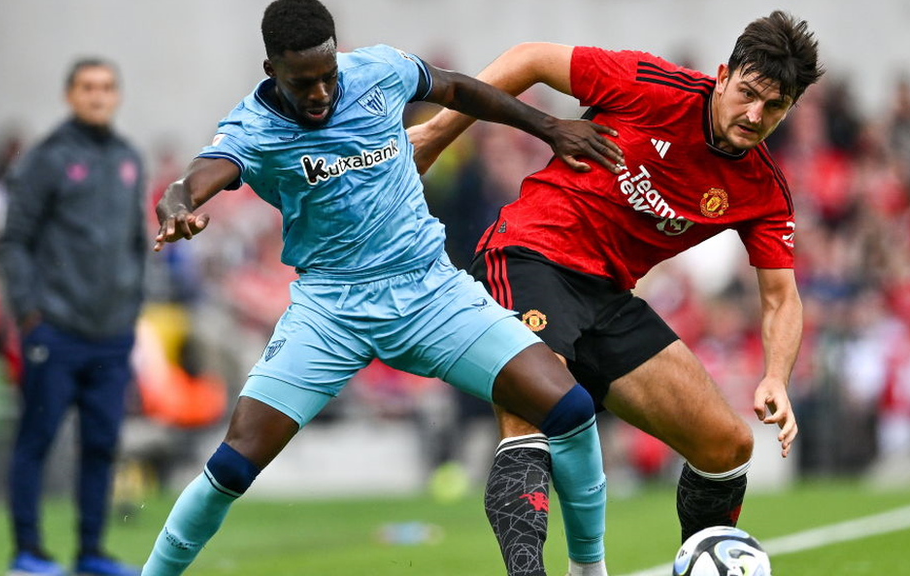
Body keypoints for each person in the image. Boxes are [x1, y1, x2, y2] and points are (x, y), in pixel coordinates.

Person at [139, 1, 626, 574]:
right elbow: (192, 181)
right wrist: (176, 210)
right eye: (303, 83)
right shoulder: (253, 129)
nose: (320, 92)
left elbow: (457, 90)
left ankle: (589, 568)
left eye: (328, 75)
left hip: (429, 291)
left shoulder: (378, 71)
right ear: (271, 69)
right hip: (331, 309)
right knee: (232, 466)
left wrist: (546, 126)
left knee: (569, 406)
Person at [409, 11, 823, 575]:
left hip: (606, 297)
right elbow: (528, 57)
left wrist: (776, 374)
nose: (755, 116)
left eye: (774, 107)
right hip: (531, 255)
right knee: (535, 411)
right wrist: (434, 134)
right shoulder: (649, 84)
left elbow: (781, 297)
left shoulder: (762, 190)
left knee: (727, 446)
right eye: (747, 94)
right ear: (723, 75)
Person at [0, 58, 146, 576]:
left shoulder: (129, 159)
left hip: (112, 335)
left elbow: (135, 244)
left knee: (102, 445)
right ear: (70, 95)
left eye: (107, 87)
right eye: (87, 87)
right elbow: (13, 240)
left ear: (117, 96)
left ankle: (90, 553)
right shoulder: (47, 158)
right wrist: (29, 313)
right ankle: (20, 552)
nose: (98, 96)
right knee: (35, 442)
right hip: (55, 332)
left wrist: (132, 311)